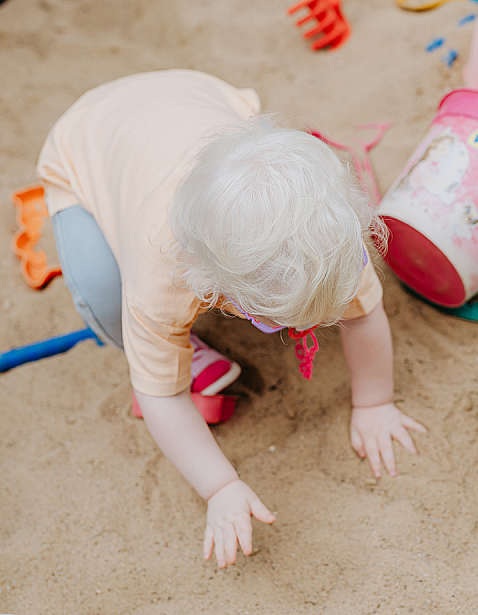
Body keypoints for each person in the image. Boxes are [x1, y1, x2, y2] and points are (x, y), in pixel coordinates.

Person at [36, 69, 426, 569]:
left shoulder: (331, 238)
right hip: (85, 146)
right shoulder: (163, 277)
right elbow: (162, 395)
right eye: (270, 320)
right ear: (211, 285)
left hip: (195, 97)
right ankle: (187, 349)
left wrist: (375, 403)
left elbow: (365, 314)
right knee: (107, 300)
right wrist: (220, 486)